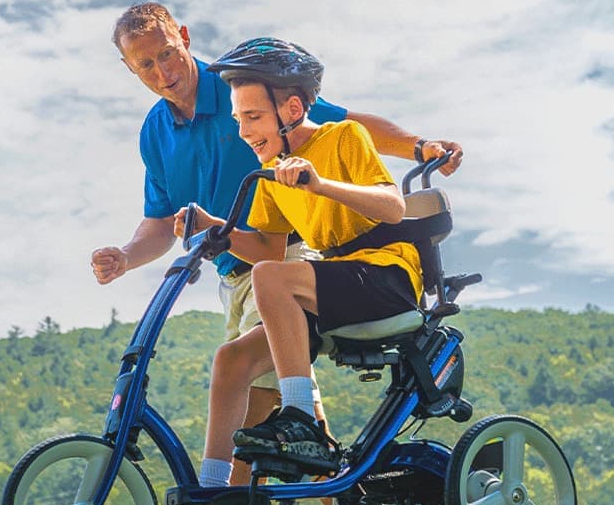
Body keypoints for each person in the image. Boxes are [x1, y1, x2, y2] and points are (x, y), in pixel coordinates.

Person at [91, 2, 460, 488]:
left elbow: (364, 167)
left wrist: (416, 147)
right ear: (129, 68)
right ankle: (225, 489)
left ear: (182, 36)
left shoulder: (259, 96)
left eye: (167, 54)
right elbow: (198, 230)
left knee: (265, 382)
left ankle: (269, 458)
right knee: (232, 362)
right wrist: (188, 235)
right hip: (266, 273)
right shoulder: (178, 138)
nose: (162, 72)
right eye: (145, 64)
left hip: (336, 269)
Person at [177, 37, 427, 479]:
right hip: (331, 284)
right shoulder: (273, 175)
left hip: (386, 277)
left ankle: (301, 422)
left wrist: (318, 184)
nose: (244, 131)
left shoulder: (342, 137)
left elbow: (394, 206)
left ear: (292, 109)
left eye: (253, 117)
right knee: (231, 359)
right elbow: (266, 251)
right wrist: (214, 226)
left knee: (273, 278)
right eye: (238, 119)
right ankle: (213, 492)